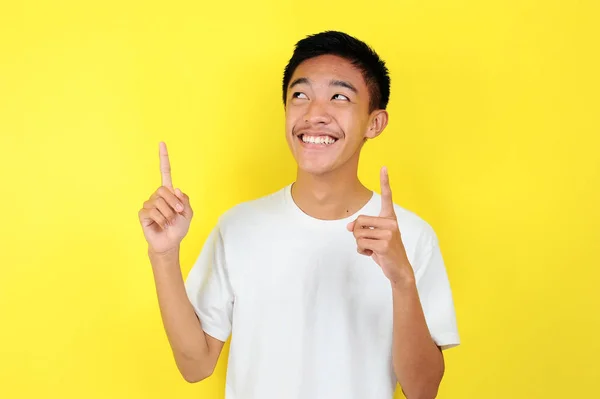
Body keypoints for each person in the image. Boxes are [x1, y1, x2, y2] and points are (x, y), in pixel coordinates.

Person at [138, 30, 460, 399]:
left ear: (375, 123)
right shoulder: (239, 227)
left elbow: (423, 390)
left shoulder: (410, 237)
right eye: (300, 95)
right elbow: (195, 367)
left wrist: (402, 281)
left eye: (339, 97)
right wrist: (163, 255)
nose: (314, 114)